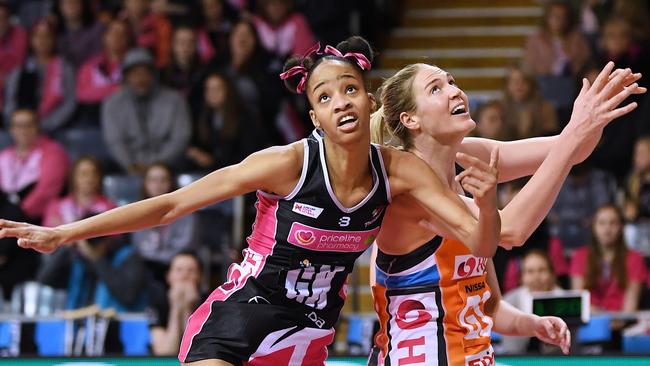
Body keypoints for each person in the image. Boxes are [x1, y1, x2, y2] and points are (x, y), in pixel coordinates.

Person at [0, 36, 503, 365]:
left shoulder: (399, 172)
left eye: (349, 90)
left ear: (368, 101)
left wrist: (484, 205)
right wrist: (65, 232)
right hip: (245, 310)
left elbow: (482, 242)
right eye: (324, 98)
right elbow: (172, 205)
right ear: (315, 120)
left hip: (311, 329)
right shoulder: (286, 164)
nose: (341, 103)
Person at [367, 61, 643, 365]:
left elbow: (490, 305)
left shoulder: (466, 155)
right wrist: (574, 132)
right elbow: (511, 231)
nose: (455, 91)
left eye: (452, 81)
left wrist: (595, 115)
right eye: (436, 88)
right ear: (411, 119)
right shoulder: (408, 191)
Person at [101, 48, 191, 174]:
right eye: (135, 73)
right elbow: (115, 141)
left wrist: (156, 165)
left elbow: (180, 138)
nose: (140, 79)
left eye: (144, 73)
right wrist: (130, 165)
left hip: (168, 167)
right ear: (126, 77)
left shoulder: (175, 100)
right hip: (127, 167)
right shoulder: (112, 104)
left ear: (153, 75)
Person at [3, 20, 77, 133]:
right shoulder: (20, 70)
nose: (42, 41)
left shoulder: (65, 68)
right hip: (21, 131)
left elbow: (69, 103)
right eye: (37, 36)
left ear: (54, 39)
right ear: (31, 40)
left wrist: (43, 126)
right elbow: (10, 102)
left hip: (55, 130)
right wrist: (18, 125)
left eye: (47, 36)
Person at [570, 204, 647, 313]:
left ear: (621, 227)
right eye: (602, 223)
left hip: (623, 324)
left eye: (613, 223)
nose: (607, 228)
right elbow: (579, 302)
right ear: (593, 227)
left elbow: (630, 307)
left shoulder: (635, 258)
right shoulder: (579, 256)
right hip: (589, 324)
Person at [132, 163, 196, 283]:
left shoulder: (185, 211)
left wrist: (161, 258)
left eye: (163, 180)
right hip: (146, 265)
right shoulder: (136, 211)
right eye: (153, 180)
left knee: (184, 265)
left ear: (171, 183)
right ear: (145, 184)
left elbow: (184, 244)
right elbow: (138, 245)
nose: (158, 185)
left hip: (174, 263)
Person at [501, 249, 564, 354]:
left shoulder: (565, 301)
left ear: (552, 274)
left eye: (542, 270)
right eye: (530, 271)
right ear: (522, 277)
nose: (536, 278)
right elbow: (510, 350)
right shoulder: (510, 301)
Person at [148, 250, 204, 356]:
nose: (184, 276)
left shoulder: (209, 303)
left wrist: (188, 308)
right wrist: (176, 308)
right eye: (179, 270)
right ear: (168, 276)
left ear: (200, 276)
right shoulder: (158, 303)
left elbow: (194, 352)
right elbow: (165, 352)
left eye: (191, 271)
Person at [522, 0, 590, 77]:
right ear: (547, 17)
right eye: (555, 16)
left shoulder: (576, 38)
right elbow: (530, 65)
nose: (559, 20)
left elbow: (584, 61)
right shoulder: (535, 39)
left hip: (571, 80)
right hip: (543, 81)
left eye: (563, 17)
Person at [43, 156, 116, 228]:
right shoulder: (56, 207)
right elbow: (49, 233)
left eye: (94, 173)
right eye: (84, 174)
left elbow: (114, 235)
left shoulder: (110, 208)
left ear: (100, 177)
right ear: (73, 177)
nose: (89, 178)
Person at [52, 0, 106, 68]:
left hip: (91, 73)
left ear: (82, 4)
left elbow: (98, 58)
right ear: (59, 6)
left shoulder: (97, 29)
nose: (71, 6)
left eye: (74, 2)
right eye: (66, 3)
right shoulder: (54, 31)